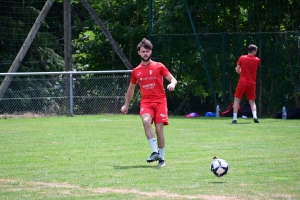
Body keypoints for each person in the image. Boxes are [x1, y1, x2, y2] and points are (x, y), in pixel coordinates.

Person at [120, 38, 177, 167]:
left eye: (147, 51)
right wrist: (126, 105)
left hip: (160, 101)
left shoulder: (159, 66)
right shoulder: (136, 71)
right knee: (145, 121)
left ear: (150, 52)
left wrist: (172, 84)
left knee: (158, 129)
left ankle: (161, 158)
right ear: (139, 53)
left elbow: (172, 79)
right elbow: (131, 88)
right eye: (143, 51)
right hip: (146, 102)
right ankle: (154, 151)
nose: (145, 53)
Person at [232, 44, 260, 124]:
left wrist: (241, 72)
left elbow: (237, 70)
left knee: (237, 99)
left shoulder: (242, 58)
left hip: (242, 81)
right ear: (254, 51)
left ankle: (234, 118)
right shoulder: (257, 60)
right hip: (252, 82)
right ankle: (255, 116)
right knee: (252, 101)